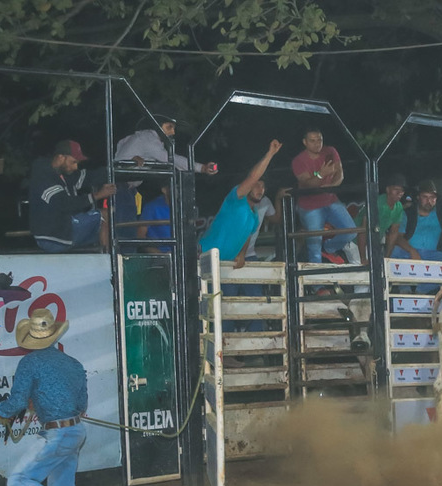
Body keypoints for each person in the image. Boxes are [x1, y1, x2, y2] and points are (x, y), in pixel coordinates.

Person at [0, 308, 116, 486]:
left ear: (30, 337)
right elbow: (81, 405)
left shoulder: (29, 363)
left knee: (18, 480)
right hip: (75, 431)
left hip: (56, 434)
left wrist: (2, 412)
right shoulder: (73, 363)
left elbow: (17, 401)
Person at [200, 140, 282, 337]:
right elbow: (253, 176)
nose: (260, 189)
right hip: (204, 259)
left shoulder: (254, 217)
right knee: (211, 310)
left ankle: (234, 347)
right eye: (257, 185)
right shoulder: (235, 200)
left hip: (225, 264)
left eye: (263, 186)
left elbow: (246, 238)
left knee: (228, 308)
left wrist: (243, 254)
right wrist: (270, 154)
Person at [114, 115, 218, 239]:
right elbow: (171, 159)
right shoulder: (149, 140)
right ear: (157, 126)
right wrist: (202, 167)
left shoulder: (138, 137)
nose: (173, 132)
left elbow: (120, 146)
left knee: (122, 227)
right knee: (126, 230)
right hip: (122, 187)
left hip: (123, 187)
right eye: (169, 127)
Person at [30, 140, 117, 253]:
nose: (76, 167)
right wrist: (97, 195)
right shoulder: (43, 176)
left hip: (63, 232)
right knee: (105, 214)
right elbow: (65, 204)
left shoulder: (64, 174)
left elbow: (90, 177)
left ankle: (103, 255)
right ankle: (108, 259)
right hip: (54, 236)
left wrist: (117, 170)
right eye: (73, 162)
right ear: (61, 157)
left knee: (108, 233)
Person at [292, 129, 357, 264]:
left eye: (319, 140)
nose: (317, 143)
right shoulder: (298, 161)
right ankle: (317, 277)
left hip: (331, 200)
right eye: (312, 141)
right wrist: (321, 174)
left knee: (351, 231)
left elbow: (340, 173)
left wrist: (332, 185)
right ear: (305, 142)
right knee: (314, 245)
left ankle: (328, 248)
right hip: (310, 206)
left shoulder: (330, 151)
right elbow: (308, 184)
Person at [393, 179, 442, 261]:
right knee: (394, 252)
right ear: (418, 197)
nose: (428, 201)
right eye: (425, 197)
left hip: (434, 255)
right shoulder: (408, 213)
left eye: (432, 197)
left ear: (436, 199)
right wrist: (412, 251)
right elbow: (398, 237)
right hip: (409, 253)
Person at [135, 185, 173, 254]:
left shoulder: (185, 207)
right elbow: (140, 237)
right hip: (160, 256)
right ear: (164, 189)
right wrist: (161, 255)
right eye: (174, 186)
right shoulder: (151, 207)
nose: (178, 190)